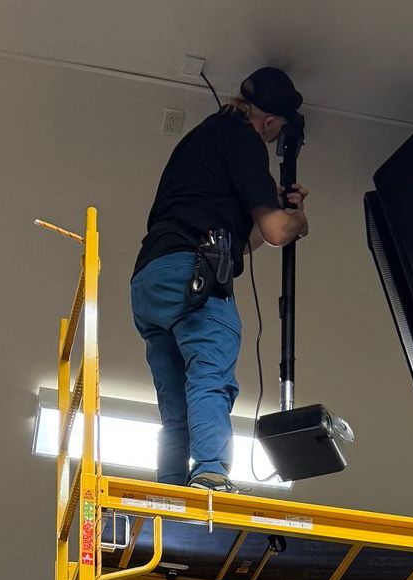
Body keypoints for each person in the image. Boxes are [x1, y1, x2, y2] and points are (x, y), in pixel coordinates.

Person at [130, 67, 310, 490]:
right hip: (195, 275)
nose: (271, 140)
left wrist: (271, 211)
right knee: (210, 375)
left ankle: (172, 485)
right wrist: (297, 218)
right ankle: (210, 473)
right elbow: (276, 233)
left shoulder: (202, 138)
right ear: (267, 122)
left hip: (151, 279)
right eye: (275, 132)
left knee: (176, 400)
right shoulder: (244, 140)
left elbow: (246, 243)